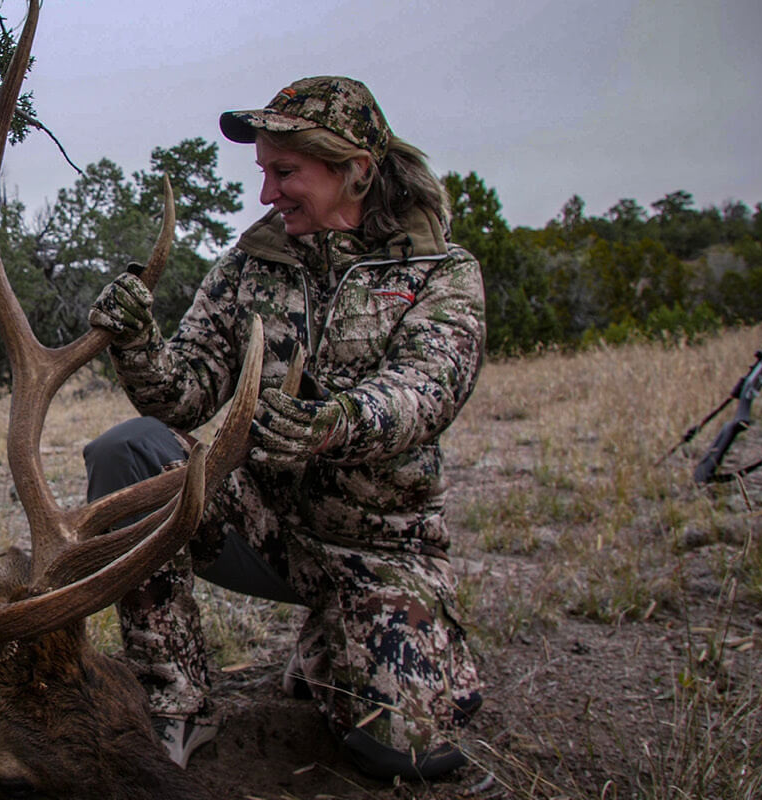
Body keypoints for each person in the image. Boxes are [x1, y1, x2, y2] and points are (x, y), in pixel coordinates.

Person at [84, 75, 486, 781]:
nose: (267, 194)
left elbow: (428, 389)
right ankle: (175, 702)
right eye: (264, 173)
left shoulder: (442, 275)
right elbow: (181, 397)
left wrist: (339, 422)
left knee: (401, 755)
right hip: (262, 523)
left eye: (286, 172)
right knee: (128, 453)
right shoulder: (247, 269)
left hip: (378, 545)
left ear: (355, 171)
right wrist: (138, 343)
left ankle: (343, 646)